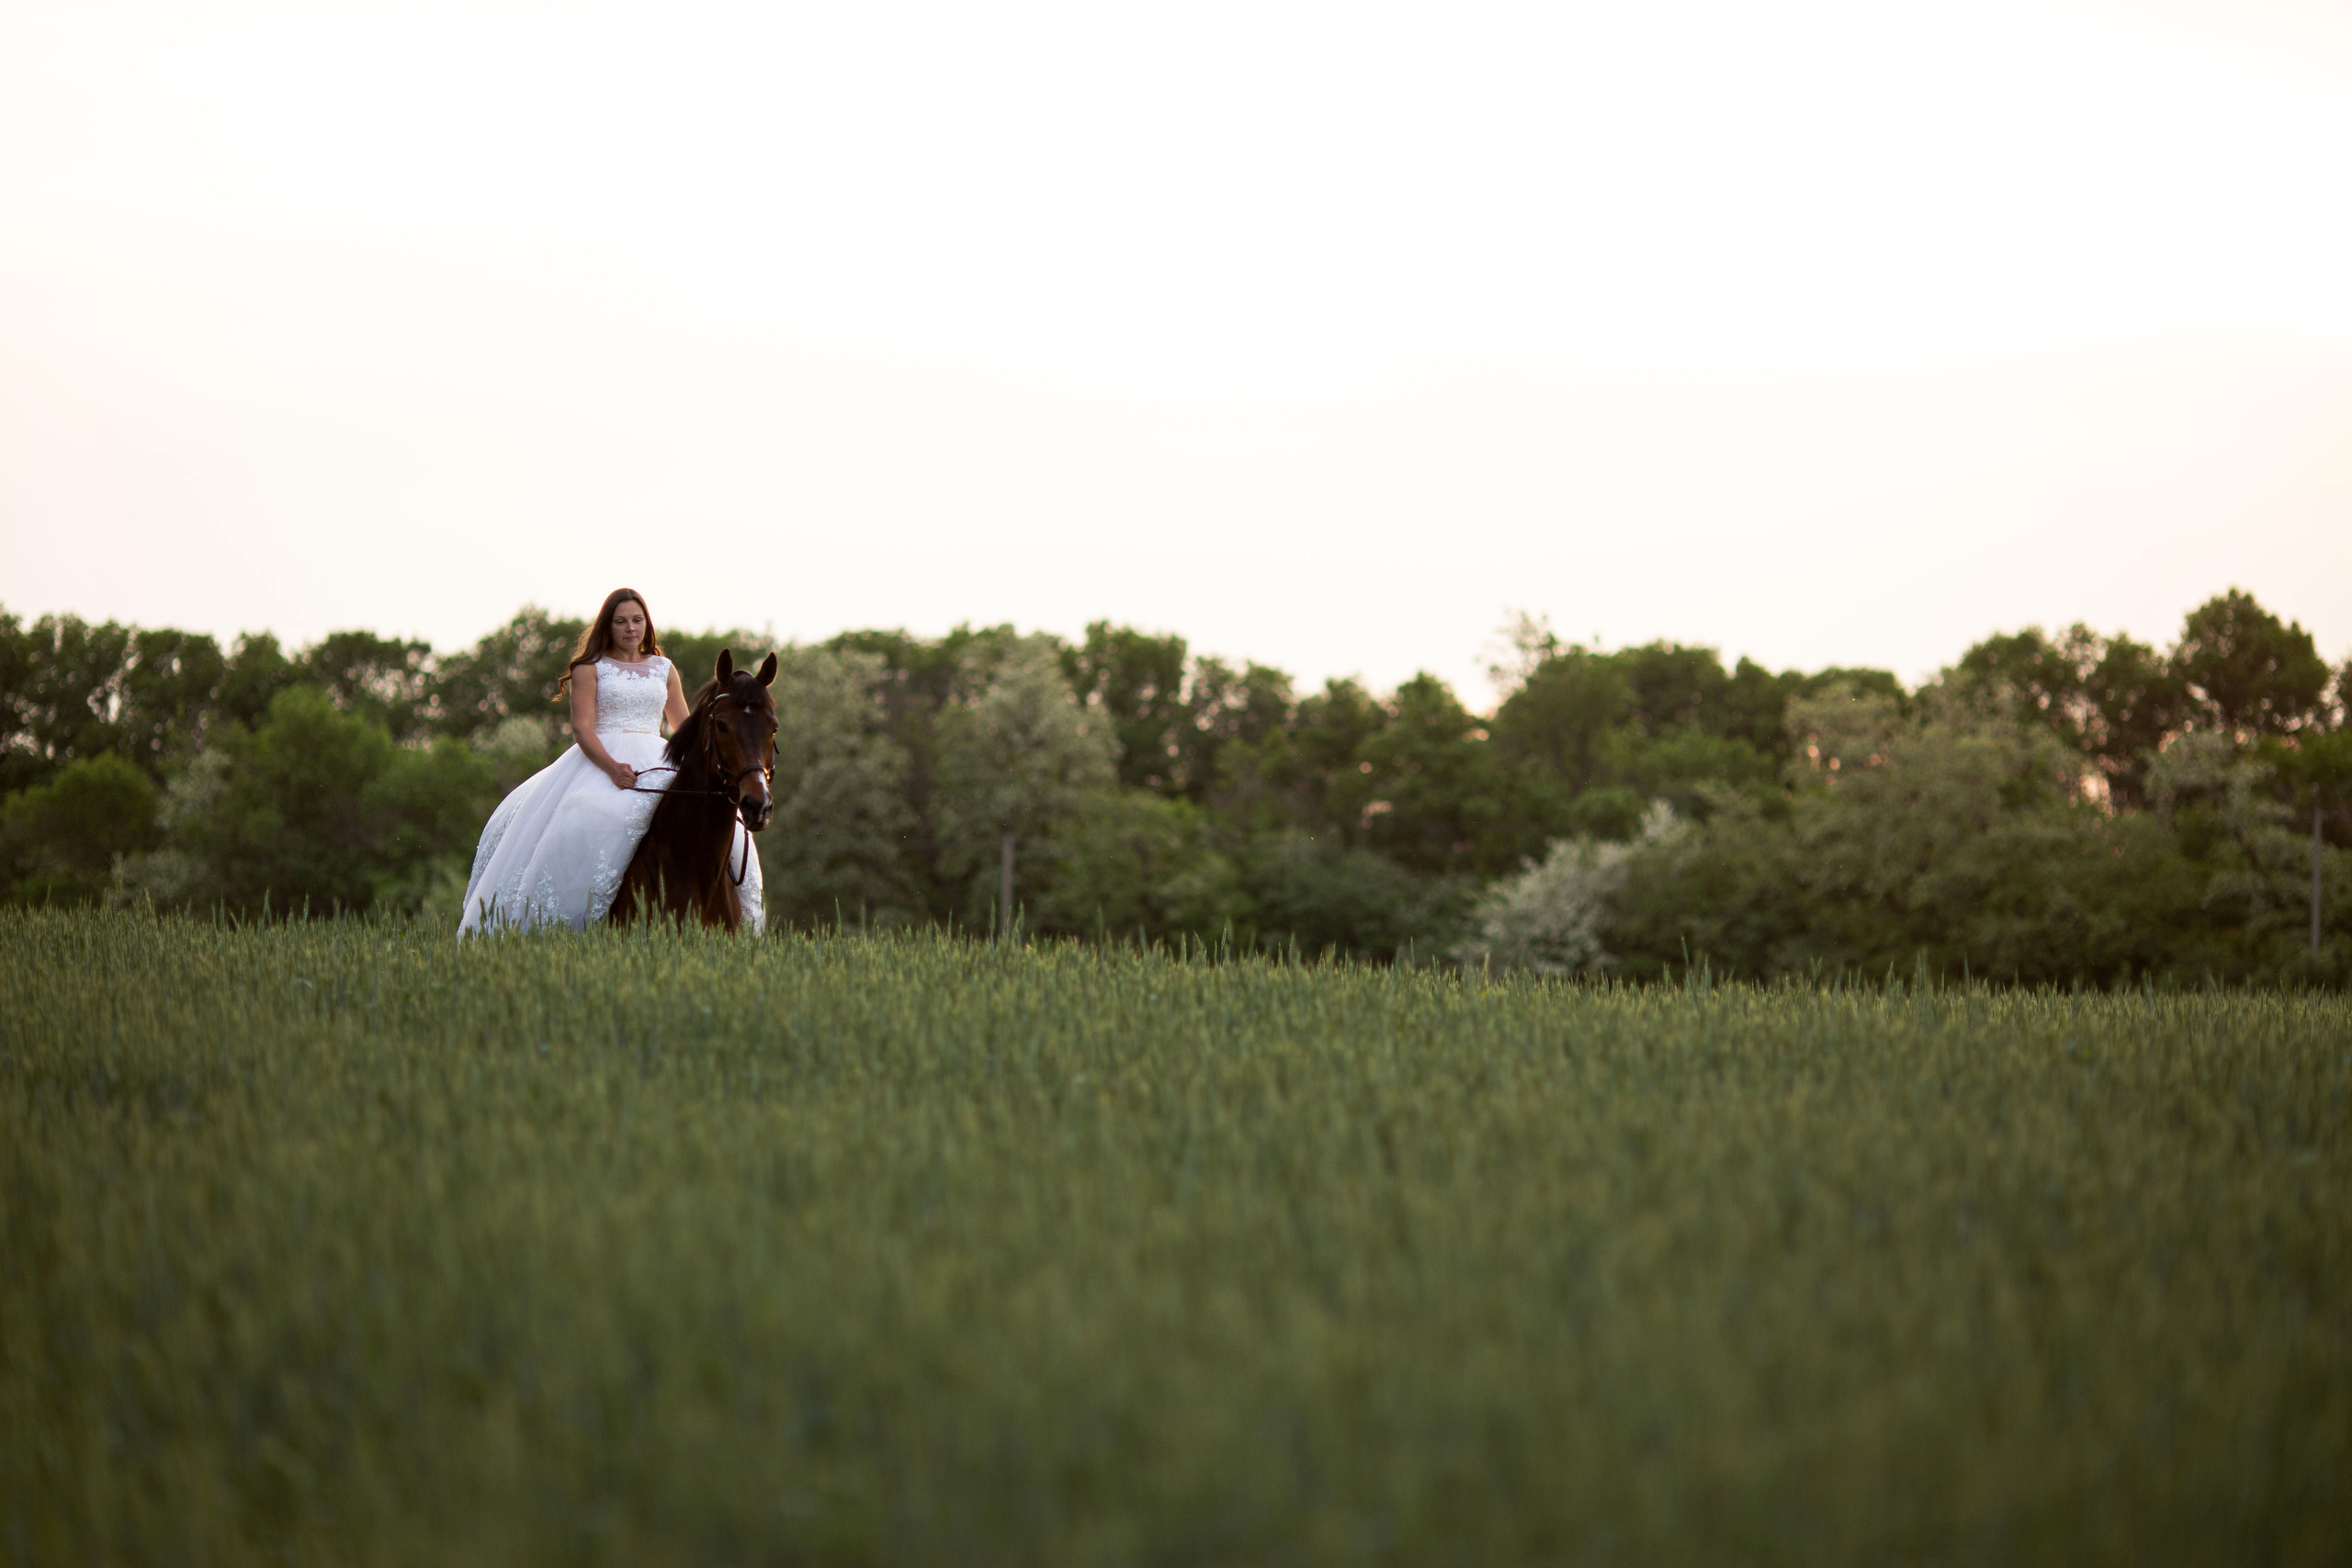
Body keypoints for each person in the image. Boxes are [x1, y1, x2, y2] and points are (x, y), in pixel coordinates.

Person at [458, 588, 764, 935]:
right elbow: (582, 728)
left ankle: (740, 917)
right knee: (591, 816)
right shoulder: (589, 668)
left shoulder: (664, 668)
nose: (630, 629)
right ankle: (577, 920)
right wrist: (613, 769)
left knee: (727, 826)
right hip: (604, 758)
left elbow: (685, 727)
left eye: (637, 620)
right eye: (621, 622)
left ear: (646, 625)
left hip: (656, 757)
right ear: (609, 625)